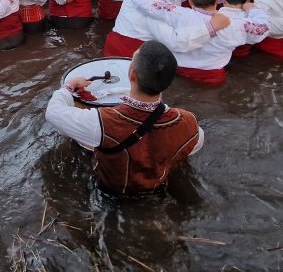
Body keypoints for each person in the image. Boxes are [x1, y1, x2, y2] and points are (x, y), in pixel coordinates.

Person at [44, 40, 204, 197]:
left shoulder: (103, 122)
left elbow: (53, 112)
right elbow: (195, 145)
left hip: (109, 195)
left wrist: (69, 86)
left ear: (132, 75)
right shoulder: (187, 122)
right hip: (155, 192)